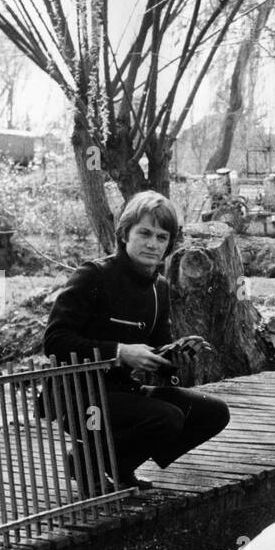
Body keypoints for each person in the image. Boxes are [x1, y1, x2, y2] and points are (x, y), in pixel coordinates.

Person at [43, 190, 230, 490]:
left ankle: (117, 464)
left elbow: (157, 349)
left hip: (123, 392)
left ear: (170, 243)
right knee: (166, 418)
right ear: (124, 234)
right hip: (78, 398)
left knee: (213, 412)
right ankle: (87, 458)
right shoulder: (93, 276)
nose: (152, 244)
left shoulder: (160, 288)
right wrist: (119, 352)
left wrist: (172, 360)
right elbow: (55, 341)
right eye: (144, 233)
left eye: (161, 236)